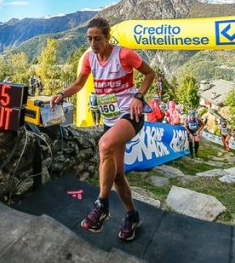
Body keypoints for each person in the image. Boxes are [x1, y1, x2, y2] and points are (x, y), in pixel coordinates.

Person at [49, 17, 156, 241]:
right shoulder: (90, 58)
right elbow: (79, 84)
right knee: (117, 176)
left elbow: (150, 74)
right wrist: (61, 94)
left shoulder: (124, 54)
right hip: (110, 118)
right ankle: (132, 216)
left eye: (97, 38)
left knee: (104, 144)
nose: (93, 43)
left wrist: (139, 97)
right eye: (89, 39)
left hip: (131, 114)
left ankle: (102, 205)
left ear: (108, 38)